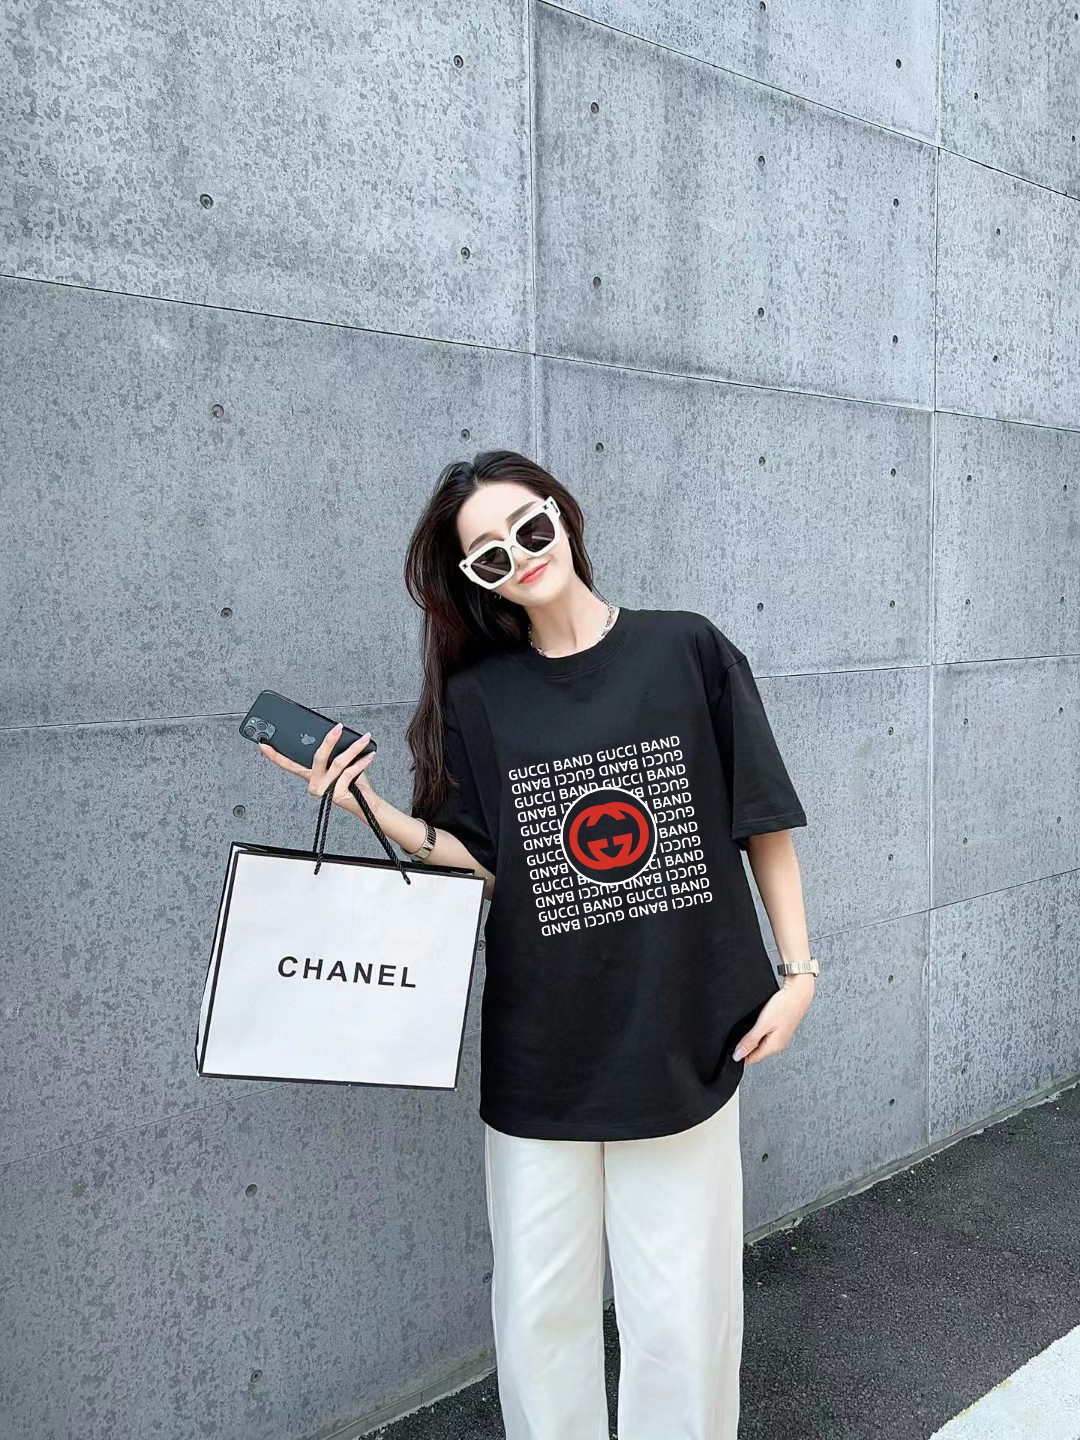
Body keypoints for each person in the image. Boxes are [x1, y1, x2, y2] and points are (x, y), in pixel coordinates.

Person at [258, 450, 817, 1439]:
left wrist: (799, 971)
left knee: (681, 1326)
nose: (518, 556)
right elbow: (481, 862)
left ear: (562, 514)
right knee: (539, 1323)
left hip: (684, 1040)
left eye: (528, 527)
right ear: (474, 581)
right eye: (488, 555)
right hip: (541, 1054)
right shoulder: (479, 699)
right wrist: (367, 806)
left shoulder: (686, 648)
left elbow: (760, 817)